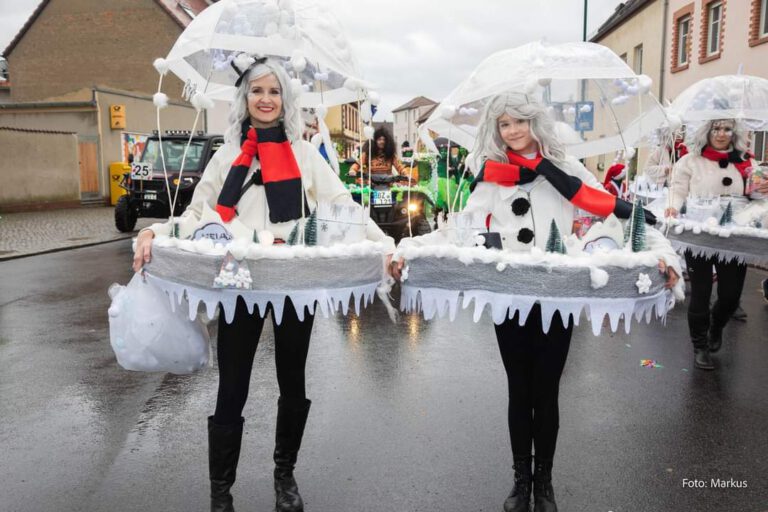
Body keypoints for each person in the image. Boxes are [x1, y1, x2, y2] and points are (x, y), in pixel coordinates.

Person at [392, 93, 681, 512]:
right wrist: (410, 248)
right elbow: (460, 228)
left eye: (520, 122)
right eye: (504, 125)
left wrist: (662, 253)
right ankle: (520, 479)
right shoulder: (491, 176)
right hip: (510, 297)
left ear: (535, 124)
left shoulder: (564, 168)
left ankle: (544, 482)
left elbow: (612, 208)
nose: (512, 131)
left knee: (546, 391)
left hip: (555, 299)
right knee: (518, 388)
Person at [132, 57, 394, 512]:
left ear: (285, 100)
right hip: (240, 281)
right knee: (232, 383)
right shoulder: (227, 154)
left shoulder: (305, 154)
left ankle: (284, 476)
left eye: (274, 92)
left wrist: (385, 242)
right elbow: (197, 214)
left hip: (294, 281)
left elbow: (343, 205)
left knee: (292, 380)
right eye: (257, 91)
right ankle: (221, 493)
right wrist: (154, 231)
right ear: (244, 98)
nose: (266, 99)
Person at [665, 119, 758, 370]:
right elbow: (677, 188)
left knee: (730, 296)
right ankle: (700, 346)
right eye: (716, 129)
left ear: (734, 133)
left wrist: (762, 188)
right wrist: (673, 205)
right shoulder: (691, 160)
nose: (721, 134)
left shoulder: (746, 161)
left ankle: (716, 327)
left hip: (734, 237)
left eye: (727, 129)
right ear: (706, 131)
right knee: (701, 293)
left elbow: (756, 194)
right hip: (700, 235)